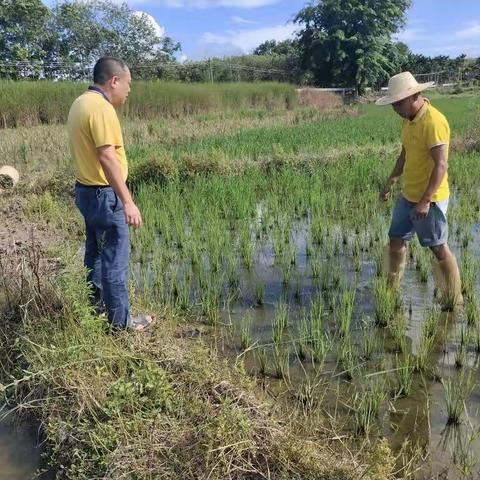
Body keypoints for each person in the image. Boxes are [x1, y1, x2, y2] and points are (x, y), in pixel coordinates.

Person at [68, 57, 154, 330]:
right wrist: (128, 201)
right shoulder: (101, 109)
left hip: (85, 191)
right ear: (114, 81)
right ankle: (121, 325)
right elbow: (107, 158)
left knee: (94, 253)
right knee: (115, 260)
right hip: (105, 196)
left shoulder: (80, 103)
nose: (129, 90)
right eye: (128, 84)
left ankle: (95, 308)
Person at [377, 71, 462, 309]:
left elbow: (441, 164)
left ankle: (454, 299)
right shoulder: (408, 121)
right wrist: (392, 180)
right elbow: (405, 153)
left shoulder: (433, 121)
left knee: (437, 247)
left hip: (429, 199)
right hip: (408, 196)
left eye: (398, 102)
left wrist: (425, 201)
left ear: (414, 96)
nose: (395, 108)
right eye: (393, 103)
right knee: (395, 239)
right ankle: (390, 291)